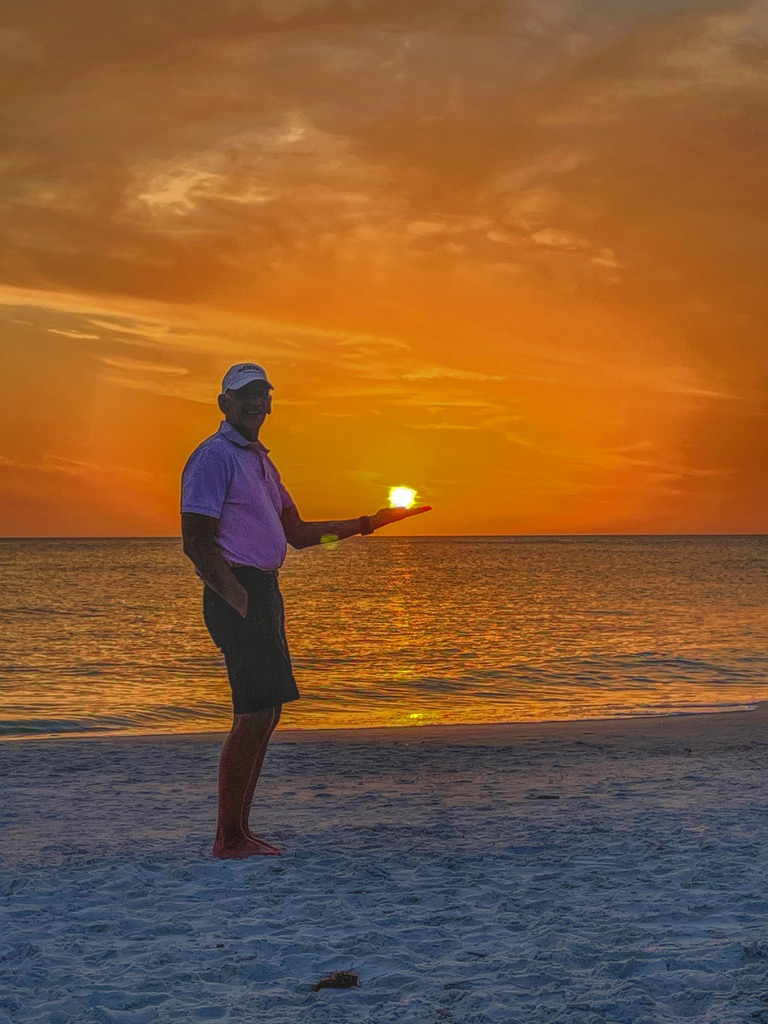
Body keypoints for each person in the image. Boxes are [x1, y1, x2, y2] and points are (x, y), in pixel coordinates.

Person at [181, 362, 431, 859]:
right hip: (239, 592)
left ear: (270, 403)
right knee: (252, 716)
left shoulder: (261, 463)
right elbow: (197, 542)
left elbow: (296, 534)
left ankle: (239, 832)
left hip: (263, 592)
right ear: (225, 403)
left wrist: (369, 523)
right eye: (245, 394)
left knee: (266, 715)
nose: (255, 402)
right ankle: (228, 838)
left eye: (262, 394)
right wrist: (238, 598)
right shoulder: (213, 457)